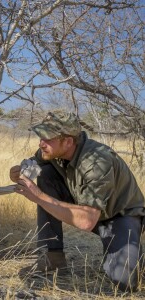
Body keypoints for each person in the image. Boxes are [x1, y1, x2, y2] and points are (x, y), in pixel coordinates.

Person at [10, 110, 145, 292]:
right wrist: (19, 172)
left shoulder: (97, 163)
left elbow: (86, 221)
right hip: (87, 207)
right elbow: (35, 164)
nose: (41, 143)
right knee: (46, 174)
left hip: (119, 215)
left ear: (67, 141)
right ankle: (52, 257)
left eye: (47, 138)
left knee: (125, 282)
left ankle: (127, 248)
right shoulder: (52, 150)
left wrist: (38, 196)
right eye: (40, 136)